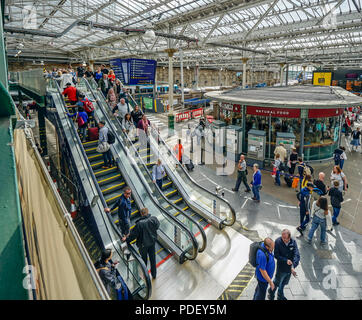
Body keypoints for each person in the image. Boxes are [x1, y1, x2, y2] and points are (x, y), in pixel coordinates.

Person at [127, 208, 160, 280]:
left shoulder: (139, 224)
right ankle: (154, 275)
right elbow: (157, 226)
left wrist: (126, 240)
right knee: (152, 259)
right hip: (152, 243)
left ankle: (146, 276)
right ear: (147, 212)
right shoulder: (153, 219)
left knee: (144, 261)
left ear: (141, 214)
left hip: (143, 245)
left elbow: (133, 236)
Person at [268, 229, 300, 300]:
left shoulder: (293, 242)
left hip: (289, 269)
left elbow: (296, 254)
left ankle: (280, 295)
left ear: (289, 237)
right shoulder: (278, 241)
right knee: (276, 282)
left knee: (283, 283)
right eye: (282, 237)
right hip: (281, 268)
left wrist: (293, 266)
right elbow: (276, 255)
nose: (283, 239)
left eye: (285, 238)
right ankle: (271, 293)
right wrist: (286, 260)